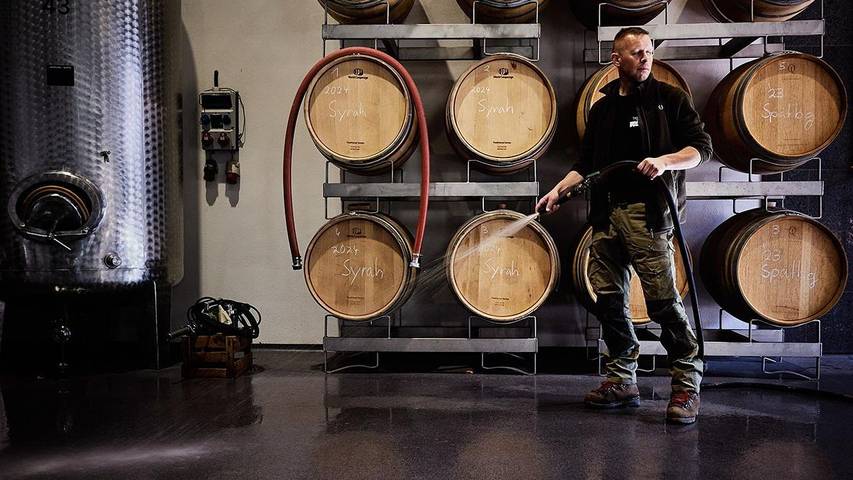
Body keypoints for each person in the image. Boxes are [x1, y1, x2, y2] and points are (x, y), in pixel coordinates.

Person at [536, 27, 712, 424]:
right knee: (610, 303)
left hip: (648, 216)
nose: (645, 58)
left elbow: (701, 149)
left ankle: (686, 384)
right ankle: (622, 379)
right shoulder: (602, 110)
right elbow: (586, 165)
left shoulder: (670, 99)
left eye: (648, 51)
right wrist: (558, 191)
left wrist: (664, 161)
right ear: (617, 60)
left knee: (663, 303)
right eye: (636, 53)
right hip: (606, 216)